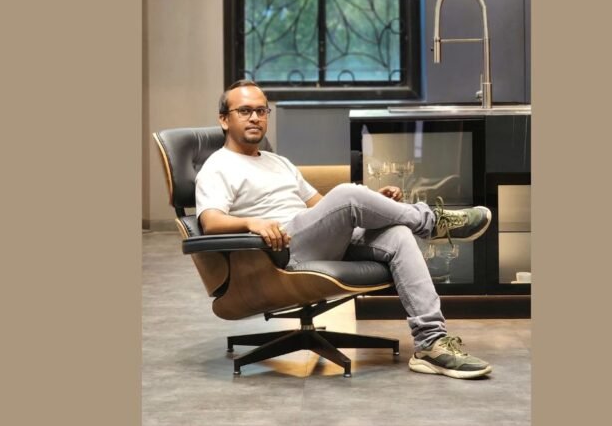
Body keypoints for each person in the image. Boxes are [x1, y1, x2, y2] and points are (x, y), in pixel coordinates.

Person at [195, 79, 494, 379]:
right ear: (224, 119)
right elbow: (210, 221)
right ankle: (432, 222)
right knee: (348, 194)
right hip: (279, 251)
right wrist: (252, 222)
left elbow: (322, 207)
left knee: (398, 234)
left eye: (261, 111)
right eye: (245, 111)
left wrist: (375, 203)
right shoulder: (218, 166)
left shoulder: (279, 162)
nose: (255, 118)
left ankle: (431, 343)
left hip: (313, 238)